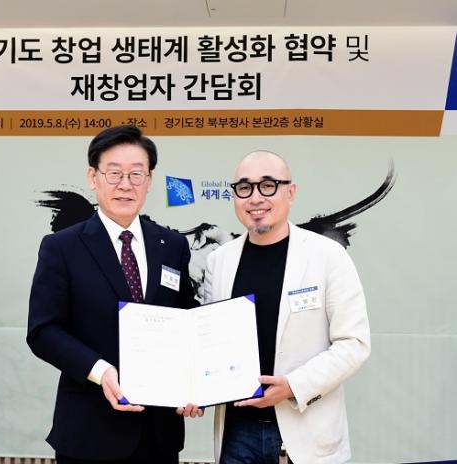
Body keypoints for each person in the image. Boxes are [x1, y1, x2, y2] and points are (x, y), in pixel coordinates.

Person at [27, 125, 199, 464]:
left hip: (159, 433)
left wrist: (195, 382)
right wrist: (101, 371)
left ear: (149, 181)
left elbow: (185, 319)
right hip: (89, 433)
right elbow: (43, 331)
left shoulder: (172, 245)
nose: (125, 184)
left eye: (136, 174)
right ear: (93, 177)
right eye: (114, 173)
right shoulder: (62, 247)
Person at [204, 151, 371, 464]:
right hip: (237, 433)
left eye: (268, 185)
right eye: (245, 188)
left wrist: (294, 386)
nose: (256, 198)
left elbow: (354, 343)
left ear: (290, 193)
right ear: (234, 196)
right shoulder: (219, 261)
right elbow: (210, 343)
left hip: (306, 429)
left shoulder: (328, 256)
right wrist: (193, 388)